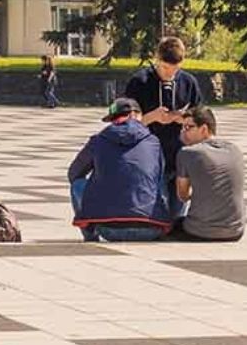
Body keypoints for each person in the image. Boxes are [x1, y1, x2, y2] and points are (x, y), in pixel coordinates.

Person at [67, 98, 171, 242]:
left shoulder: (98, 140)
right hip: (152, 228)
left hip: (109, 230)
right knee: (159, 179)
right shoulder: (153, 141)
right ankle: (166, 223)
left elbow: (74, 174)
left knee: (77, 184)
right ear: (138, 115)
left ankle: (90, 234)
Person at [122, 35, 203, 183]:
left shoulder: (188, 83)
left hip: (180, 157)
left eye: (175, 69)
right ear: (157, 59)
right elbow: (123, 125)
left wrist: (185, 120)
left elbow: (201, 120)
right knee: (155, 203)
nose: (170, 74)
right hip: (146, 158)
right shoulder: (140, 82)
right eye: (165, 68)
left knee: (178, 204)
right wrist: (150, 117)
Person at [170, 107, 244, 242]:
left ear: (204, 129)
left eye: (188, 127)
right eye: (182, 128)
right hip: (236, 230)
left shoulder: (187, 152)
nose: (183, 133)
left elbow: (183, 195)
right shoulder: (235, 150)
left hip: (200, 230)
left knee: (170, 225)